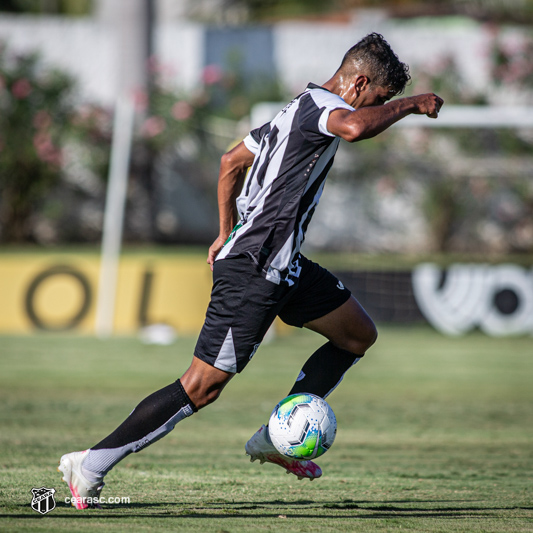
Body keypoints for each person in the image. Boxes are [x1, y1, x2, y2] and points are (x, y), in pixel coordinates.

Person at [58, 32, 443, 509]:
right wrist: (411, 104)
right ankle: (90, 464)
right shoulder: (323, 109)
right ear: (358, 83)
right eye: (377, 99)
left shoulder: (296, 111)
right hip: (254, 269)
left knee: (357, 335)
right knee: (201, 387)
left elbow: (230, 162)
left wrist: (223, 231)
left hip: (282, 265)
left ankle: (275, 438)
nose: (377, 111)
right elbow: (353, 129)